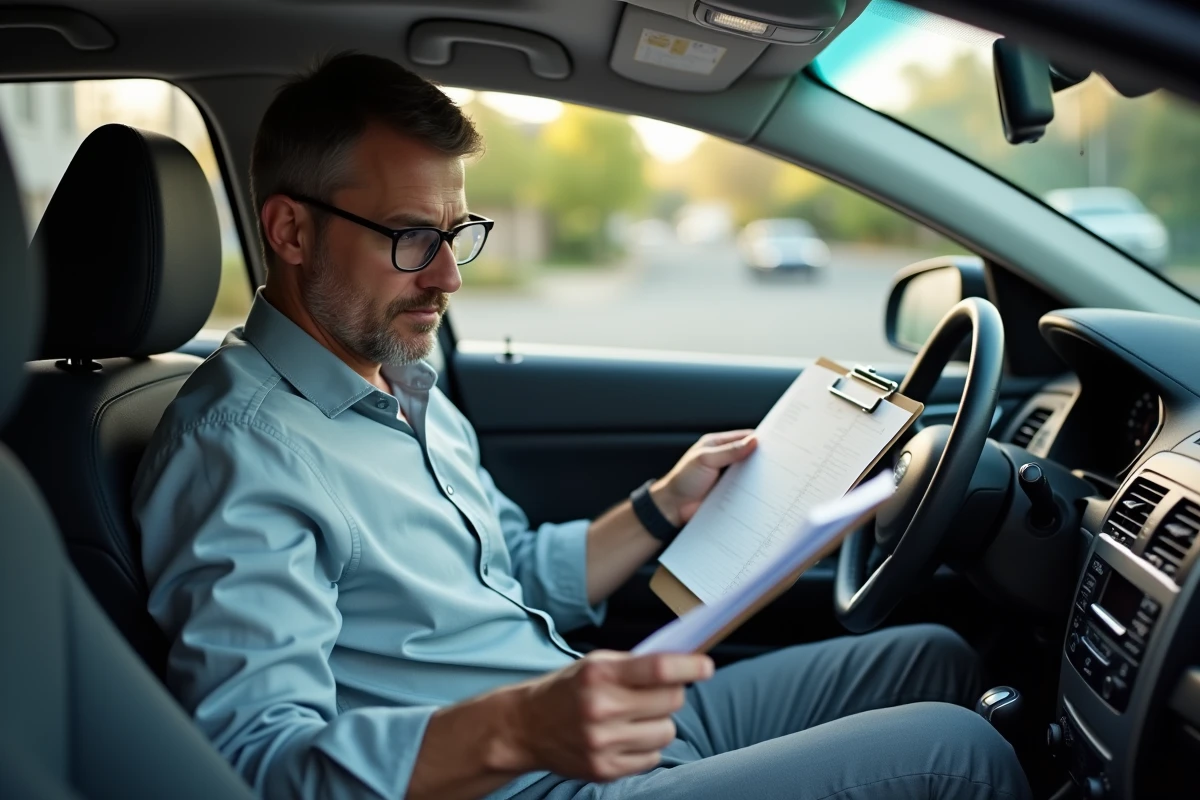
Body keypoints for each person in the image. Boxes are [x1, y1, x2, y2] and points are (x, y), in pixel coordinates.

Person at [133, 52, 1031, 800]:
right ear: (290, 231)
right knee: (963, 752)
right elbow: (248, 765)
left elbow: (508, 576)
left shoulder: (403, 380)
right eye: (412, 238)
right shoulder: (237, 449)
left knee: (933, 659)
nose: (447, 277)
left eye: (460, 232)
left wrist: (659, 508)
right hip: (531, 780)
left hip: (574, 717)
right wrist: (522, 727)